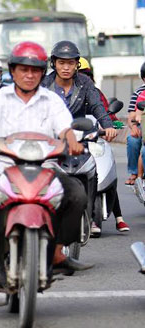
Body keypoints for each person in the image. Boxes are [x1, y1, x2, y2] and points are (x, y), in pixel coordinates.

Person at [0, 41, 93, 288]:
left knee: (77, 194)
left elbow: (65, 127)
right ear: (12, 71)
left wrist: (71, 141)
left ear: (41, 72)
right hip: (1, 165)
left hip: (45, 166)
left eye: (35, 70)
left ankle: (58, 252)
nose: (29, 75)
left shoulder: (51, 100)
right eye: (23, 69)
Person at [42, 40, 117, 235]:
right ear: (54, 64)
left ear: (77, 65)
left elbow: (97, 106)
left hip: (79, 138)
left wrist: (108, 126)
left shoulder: (85, 83)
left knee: (91, 168)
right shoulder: (44, 84)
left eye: (70, 63)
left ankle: (91, 216)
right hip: (50, 141)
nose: (66, 67)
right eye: (61, 63)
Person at [78, 57, 130, 233]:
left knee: (109, 171)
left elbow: (103, 110)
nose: (82, 77)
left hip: (94, 137)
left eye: (85, 74)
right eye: (79, 74)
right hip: (71, 140)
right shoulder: (58, 91)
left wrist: (111, 125)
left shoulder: (94, 92)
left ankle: (119, 217)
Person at [124, 62, 145, 186]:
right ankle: (134, 172)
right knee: (133, 140)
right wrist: (134, 127)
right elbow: (132, 115)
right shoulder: (139, 93)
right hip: (142, 125)